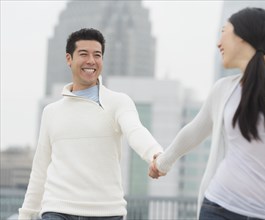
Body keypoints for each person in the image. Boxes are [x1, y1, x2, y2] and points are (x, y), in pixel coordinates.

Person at [149, 7, 265, 220]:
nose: (218, 43)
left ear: (242, 37)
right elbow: (194, 131)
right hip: (218, 208)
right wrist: (163, 162)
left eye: (224, 31)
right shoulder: (223, 89)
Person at [19, 28, 163, 220]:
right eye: (83, 54)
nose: (91, 61)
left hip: (106, 212)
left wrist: (156, 155)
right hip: (57, 210)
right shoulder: (51, 112)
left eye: (97, 55)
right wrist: (26, 215)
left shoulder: (118, 102)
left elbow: (135, 130)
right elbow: (40, 170)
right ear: (69, 59)